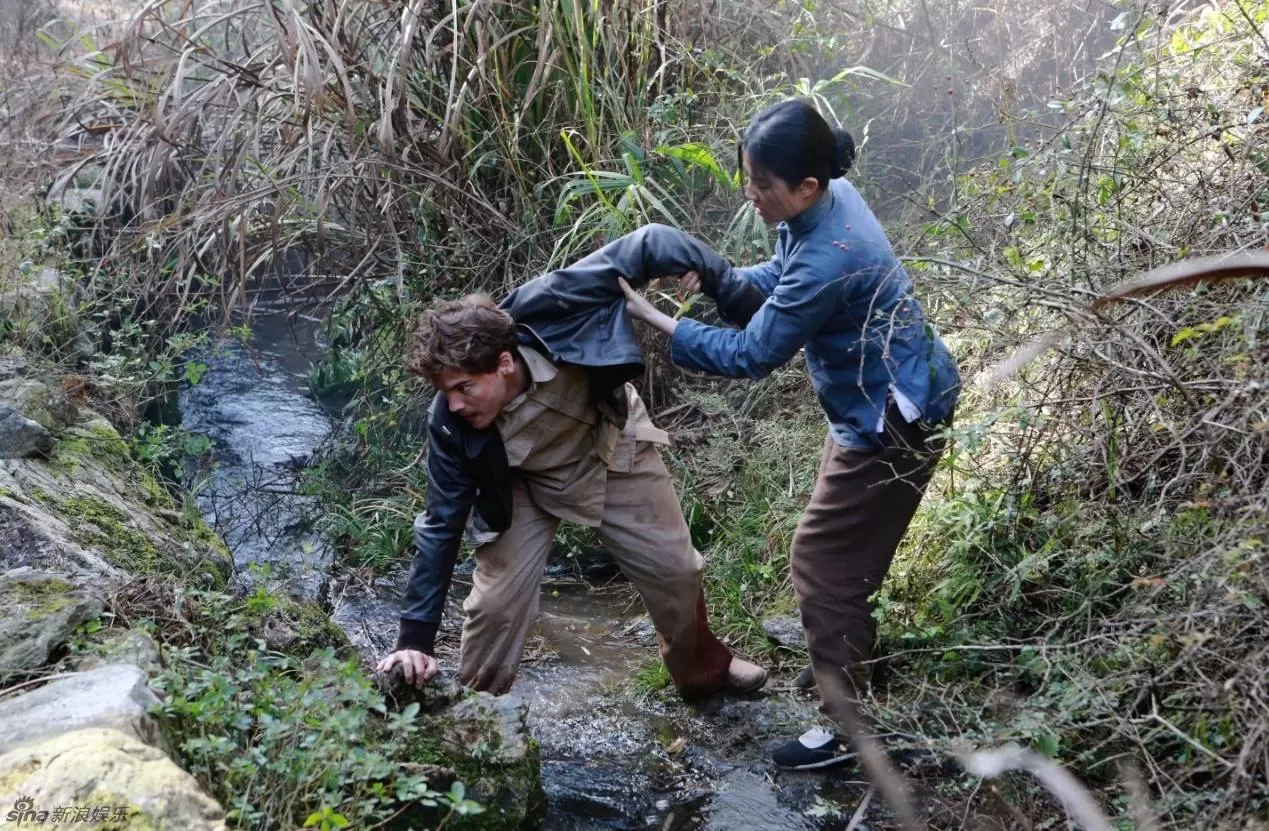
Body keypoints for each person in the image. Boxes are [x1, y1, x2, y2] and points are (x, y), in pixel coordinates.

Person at [618, 98, 961, 768]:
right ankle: (843, 660)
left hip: (889, 420)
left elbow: (752, 352)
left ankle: (846, 730)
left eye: (762, 185)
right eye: (747, 176)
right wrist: (722, 279)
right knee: (838, 557)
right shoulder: (827, 201)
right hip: (876, 402)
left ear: (804, 185)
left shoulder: (833, 253)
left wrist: (655, 320)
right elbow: (780, 282)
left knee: (818, 565)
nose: (750, 194)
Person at [375, 228, 774, 701]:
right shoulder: (449, 423)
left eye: (465, 388)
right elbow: (440, 524)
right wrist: (414, 641)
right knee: (494, 606)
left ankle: (705, 674)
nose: (455, 404)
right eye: (446, 392)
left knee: (676, 571)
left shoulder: (553, 303)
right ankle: (477, 713)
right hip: (520, 483)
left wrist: (734, 294)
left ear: (503, 363)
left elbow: (650, 243)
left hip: (607, 438)